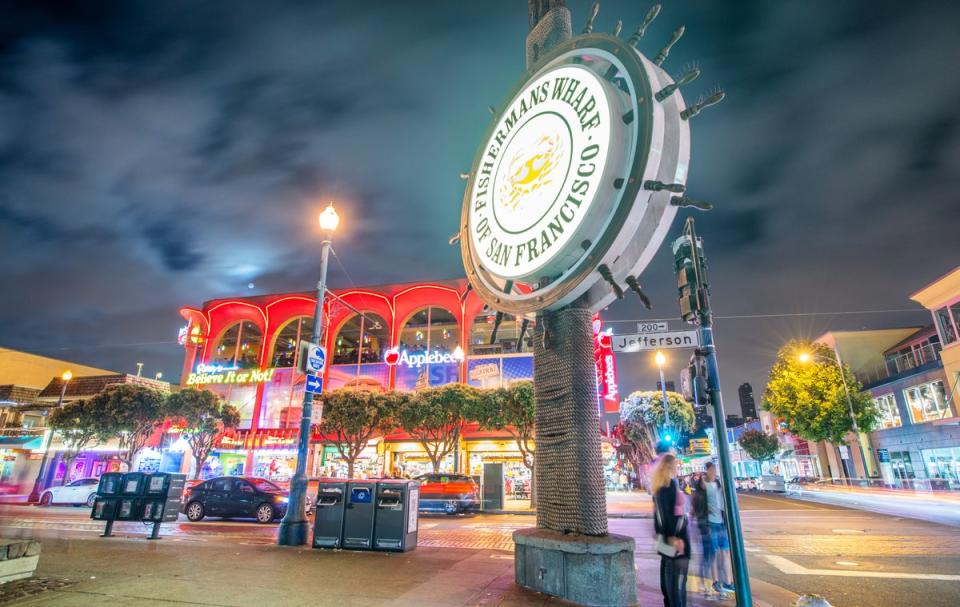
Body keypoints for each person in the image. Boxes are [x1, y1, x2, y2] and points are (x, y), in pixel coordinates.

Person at [652, 453, 690, 607]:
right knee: (677, 588)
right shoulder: (669, 487)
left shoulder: (660, 488)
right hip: (676, 542)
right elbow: (673, 516)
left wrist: (663, 535)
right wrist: (673, 536)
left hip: (666, 543)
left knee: (669, 587)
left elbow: (660, 518)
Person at [693, 462, 734, 599]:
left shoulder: (718, 485)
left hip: (721, 523)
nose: (713, 473)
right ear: (706, 471)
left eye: (714, 471)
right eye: (711, 471)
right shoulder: (702, 486)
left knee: (726, 552)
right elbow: (697, 506)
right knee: (714, 555)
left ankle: (728, 582)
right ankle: (715, 582)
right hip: (710, 524)